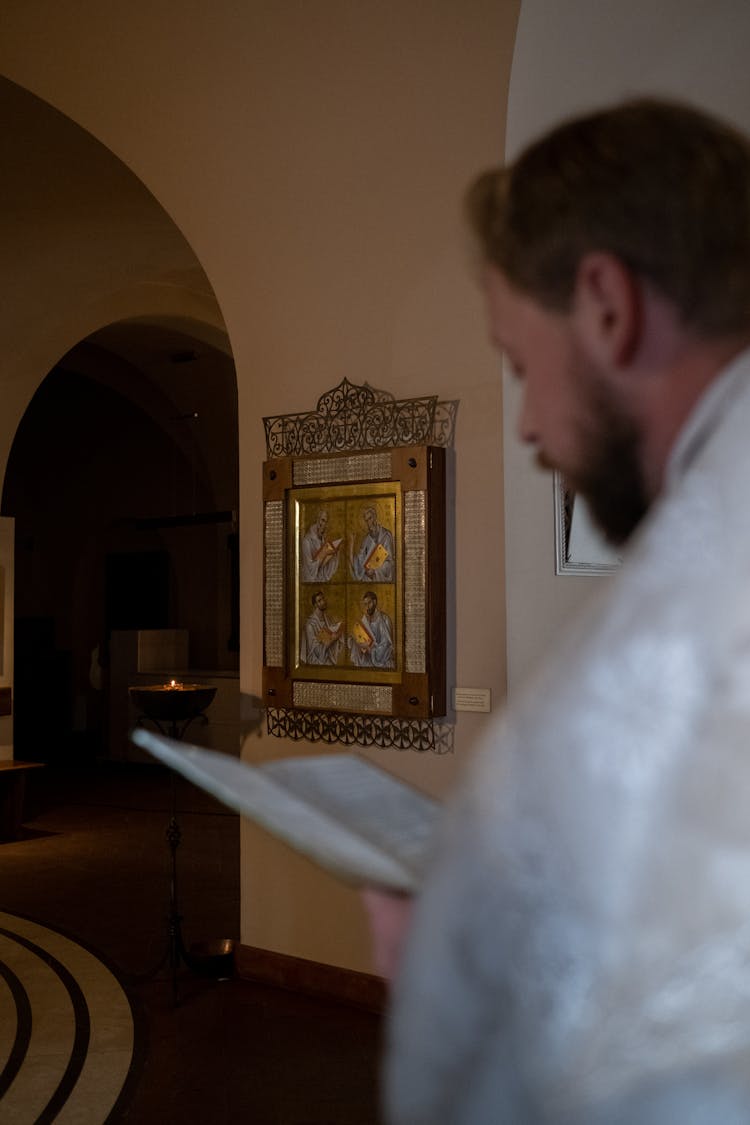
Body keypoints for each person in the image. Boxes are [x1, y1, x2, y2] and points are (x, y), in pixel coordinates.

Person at [369, 98, 750, 1124]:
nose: (531, 426)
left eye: (520, 364)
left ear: (606, 305)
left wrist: (455, 966)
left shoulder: (681, 621)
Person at [348, 590, 395, 669]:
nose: (367, 607)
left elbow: (386, 644)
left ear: (375, 602)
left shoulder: (384, 619)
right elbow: (359, 639)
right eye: (365, 604)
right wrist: (355, 640)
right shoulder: (364, 620)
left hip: (382, 663)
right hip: (367, 662)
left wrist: (370, 649)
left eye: (369, 603)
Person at [349, 505, 395, 582]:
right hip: (368, 580)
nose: (369, 523)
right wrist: (351, 546)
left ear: (375, 517)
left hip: (380, 578)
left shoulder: (386, 536)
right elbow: (360, 562)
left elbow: (390, 563)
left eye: (370, 518)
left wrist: (375, 571)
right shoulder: (366, 540)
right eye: (366, 520)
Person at [300, 590, 344, 666]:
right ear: (315, 605)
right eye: (319, 600)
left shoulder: (327, 619)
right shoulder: (310, 625)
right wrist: (332, 639)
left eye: (323, 599)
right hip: (316, 662)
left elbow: (332, 633)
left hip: (327, 658)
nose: (323, 602)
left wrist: (338, 631)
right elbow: (317, 651)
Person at [300, 508, 341, 582]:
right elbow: (308, 572)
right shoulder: (306, 541)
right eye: (322, 520)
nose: (324, 525)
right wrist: (323, 554)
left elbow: (326, 573)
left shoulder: (322, 541)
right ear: (316, 520)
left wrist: (335, 554)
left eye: (326, 522)